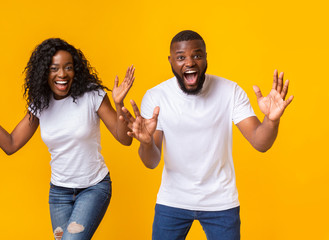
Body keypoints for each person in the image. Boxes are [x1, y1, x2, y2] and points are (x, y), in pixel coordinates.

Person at [121, 30, 293, 240]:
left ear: (206, 58)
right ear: (171, 61)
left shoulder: (230, 91)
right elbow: (151, 161)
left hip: (220, 201)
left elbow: (260, 142)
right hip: (173, 200)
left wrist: (271, 120)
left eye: (197, 55)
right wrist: (147, 143)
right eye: (181, 57)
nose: (190, 63)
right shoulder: (156, 96)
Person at [0, 38, 134, 240]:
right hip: (59, 194)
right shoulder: (41, 104)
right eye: (54, 68)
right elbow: (11, 144)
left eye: (68, 67)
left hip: (93, 187)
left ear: (75, 70)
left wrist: (119, 105)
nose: (62, 74)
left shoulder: (92, 95)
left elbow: (125, 139)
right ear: (44, 72)